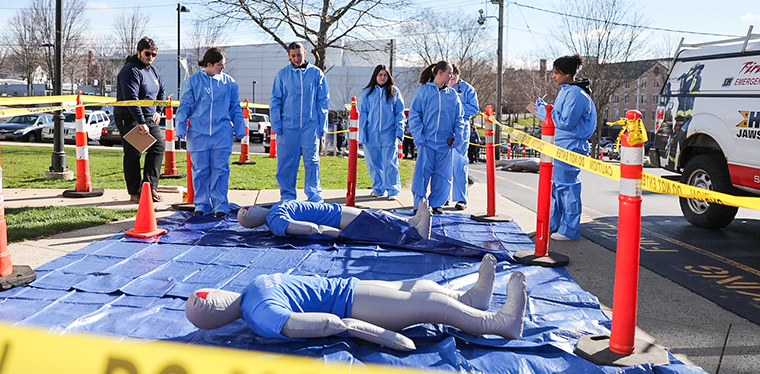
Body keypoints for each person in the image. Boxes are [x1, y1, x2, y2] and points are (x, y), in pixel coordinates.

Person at [186, 254, 527, 351]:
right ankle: (498, 324)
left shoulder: (254, 290)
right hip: (353, 305)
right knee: (429, 303)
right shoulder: (261, 314)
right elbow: (326, 324)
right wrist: (378, 334)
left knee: (421, 285)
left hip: (349, 289)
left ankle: (473, 299)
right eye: (206, 299)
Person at [175, 48, 245, 217]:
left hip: (221, 133)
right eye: (220, 64)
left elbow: (235, 107)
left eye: (223, 64)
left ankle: (220, 205)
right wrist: (180, 125)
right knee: (200, 170)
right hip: (198, 134)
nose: (222, 68)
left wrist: (240, 126)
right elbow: (185, 105)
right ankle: (201, 204)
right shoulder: (192, 82)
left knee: (220, 169)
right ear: (209, 64)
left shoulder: (229, 83)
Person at [534, 54, 597, 240]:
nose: (554, 76)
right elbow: (562, 117)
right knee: (557, 187)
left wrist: (542, 112)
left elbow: (566, 122)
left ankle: (569, 230)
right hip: (560, 145)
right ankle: (556, 224)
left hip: (569, 146)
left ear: (568, 74)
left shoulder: (575, 94)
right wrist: (547, 108)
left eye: (557, 73)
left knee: (567, 187)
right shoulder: (567, 91)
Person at [270, 42, 330, 202]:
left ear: (305, 53)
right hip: (288, 127)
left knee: (312, 162)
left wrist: (322, 123)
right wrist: (276, 122)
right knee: (286, 163)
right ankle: (287, 196)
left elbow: (323, 100)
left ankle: (314, 196)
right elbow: (276, 100)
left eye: (299, 55)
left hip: (310, 126)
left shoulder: (316, 74)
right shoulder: (282, 75)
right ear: (289, 56)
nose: (296, 58)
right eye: (293, 56)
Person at [114, 37, 165, 204]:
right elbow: (132, 99)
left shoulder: (153, 71)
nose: (151, 57)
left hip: (149, 117)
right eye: (147, 53)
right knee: (134, 153)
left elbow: (161, 92)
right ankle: (135, 191)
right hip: (129, 117)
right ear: (139, 52)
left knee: (158, 147)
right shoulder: (130, 70)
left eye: (154, 54)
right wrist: (141, 122)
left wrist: (159, 110)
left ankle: (150, 187)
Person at [237, 198, 432, 240]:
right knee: (373, 220)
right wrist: (336, 234)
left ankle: (409, 223)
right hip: (335, 218)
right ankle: (417, 234)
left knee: (377, 214)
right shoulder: (275, 219)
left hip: (334, 211)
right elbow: (309, 228)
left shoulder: (277, 207)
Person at [409, 61, 462, 214]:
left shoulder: (452, 95)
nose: (451, 76)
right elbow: (414, 115)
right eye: (449, 72)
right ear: (440, 72)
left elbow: (459, 118)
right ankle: (419, 205)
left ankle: (436, 204)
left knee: (443, 175)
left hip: (445, 144)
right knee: (422, 174)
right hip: (426, 142)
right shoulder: (422, 92)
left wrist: (458, 136)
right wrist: (419, 137)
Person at [358, 65, 406, 200]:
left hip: (388, 135)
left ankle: (393, 190)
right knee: (373, 163)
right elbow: (362, 115)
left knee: (390, 162)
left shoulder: (394, 92)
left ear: (388, 76)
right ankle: (378, 188)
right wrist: (361, 136)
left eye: (385, 75)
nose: (382, 77)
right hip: (371, 134)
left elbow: (399, 113)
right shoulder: (367, 93)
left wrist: (399, 132)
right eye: (380, 75)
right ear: (375, 76)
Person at [448, 65, 479, 210]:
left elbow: (474, 108)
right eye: (450, 76)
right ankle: (443, 197)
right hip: (445, 129)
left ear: (458, 75)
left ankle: (461, 198)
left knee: (460, 164)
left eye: (454, 76)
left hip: (461, 129)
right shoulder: (441, 87)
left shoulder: (468, 89)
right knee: (444, 165)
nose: (452, 79)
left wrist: (457, 107)